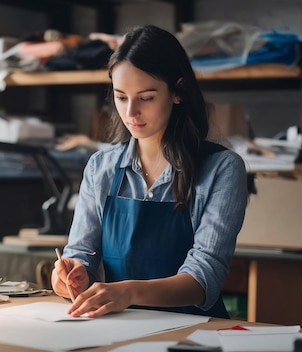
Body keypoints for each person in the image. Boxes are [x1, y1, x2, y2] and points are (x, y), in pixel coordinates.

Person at [51, 25, 248, 319]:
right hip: (119, 328)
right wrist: (71, 275)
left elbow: (203, 278)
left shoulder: (222, 169)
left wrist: (128, 292)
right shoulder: (100, 167)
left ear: (177, 91)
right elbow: (81, 254)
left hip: (193, 333)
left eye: (146, 97)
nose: (130, 112)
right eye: (121, 97)